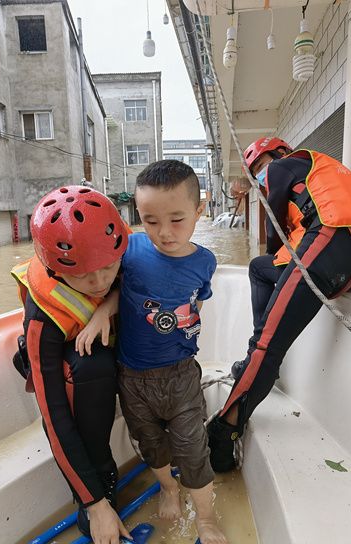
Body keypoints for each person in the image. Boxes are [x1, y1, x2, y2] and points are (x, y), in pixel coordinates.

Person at [206, 137, 351, 473]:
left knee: (266, 343)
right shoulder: (321, 171)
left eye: (261, 167)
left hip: (329, 241)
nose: (263, 176)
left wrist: (272, 236)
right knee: (258, 270)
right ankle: (259, 365)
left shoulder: (284, 166)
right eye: (256, 173)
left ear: (278, 155)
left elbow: (274, 227)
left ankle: (225, 427)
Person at [10, 185, 132, 544]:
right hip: (71, 367)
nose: (99, 281)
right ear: (54, 266)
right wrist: (94, 502)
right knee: (89, 364)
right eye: (83, 276)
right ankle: (101, 484)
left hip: (115, 349)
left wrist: (108, 307)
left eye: (109, 267)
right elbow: (54, 417)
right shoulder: (41, 320)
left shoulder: (122, 254)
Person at [115, 160, 227, 544]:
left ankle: (207, 517)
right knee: (148, 441)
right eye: (150, 220)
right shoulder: (129, 247)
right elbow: (108, 286)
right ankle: (167, 487)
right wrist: (101, 312)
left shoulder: (205, 261)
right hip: (132, 375)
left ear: (200, 210)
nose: (163, 232)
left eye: (177, 219)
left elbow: (197, 303)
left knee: (193, 446)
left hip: (180, 373)